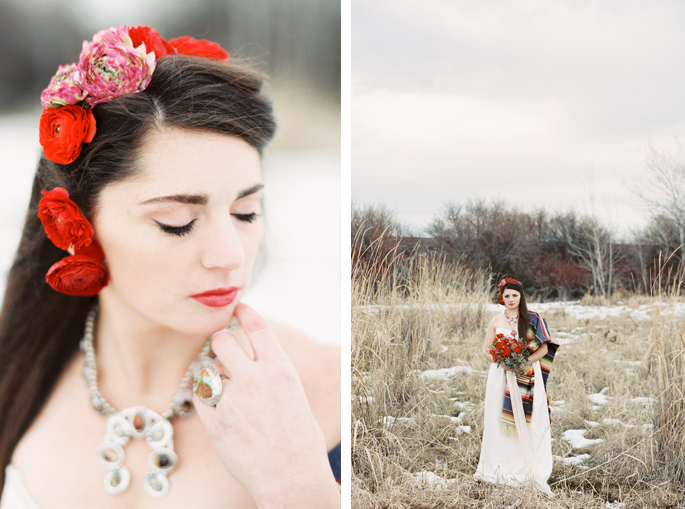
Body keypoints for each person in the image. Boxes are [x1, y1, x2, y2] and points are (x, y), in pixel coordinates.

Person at [0, 26, 340, 508]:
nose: (230, 255)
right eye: (177, 222)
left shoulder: (326, 390)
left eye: (246, 213)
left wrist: (296, 487)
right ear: (74, 222)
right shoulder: (20, 374)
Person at [474, 278, 558, 496]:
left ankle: (528, 468)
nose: (510, 299)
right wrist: (499, 359)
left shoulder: (532, 319)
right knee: (497, 420)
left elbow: (543, 349)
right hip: (500, 376)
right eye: (506, 296)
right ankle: (497, 468)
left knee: (532, 422)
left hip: (527, 375)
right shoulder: (495, 321)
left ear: (521, 297)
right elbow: (485, 349)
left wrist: (522, 362)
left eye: (515, 295)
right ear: (501, 298)